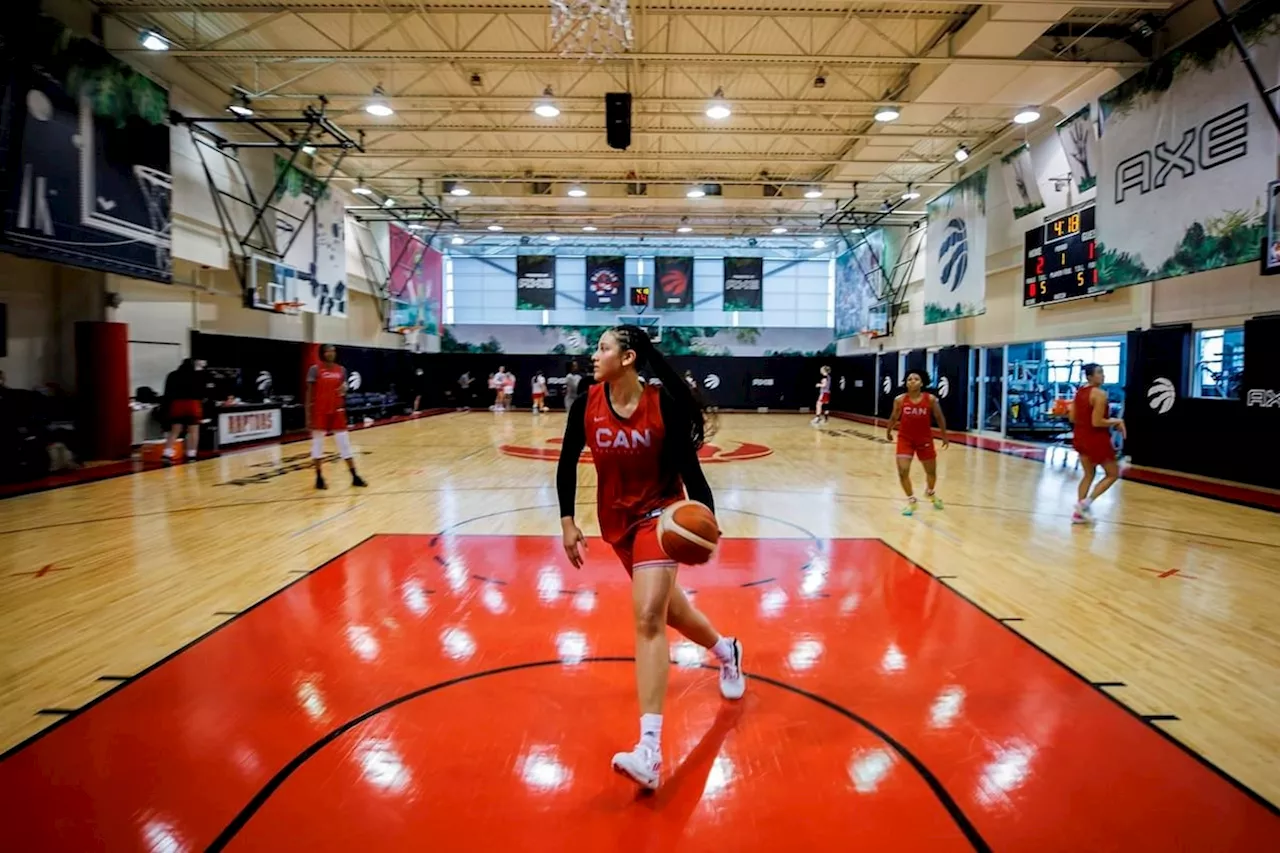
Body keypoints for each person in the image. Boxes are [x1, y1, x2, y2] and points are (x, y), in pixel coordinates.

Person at [556, 325, 744, 791]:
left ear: (628, 357)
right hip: (616, 525)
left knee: (646, 619)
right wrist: (567, 521)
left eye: (602, 348)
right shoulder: (586, 404)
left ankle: (650, 751)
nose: (593, 354)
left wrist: (708, 526)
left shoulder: (664, 406)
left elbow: (692, 474)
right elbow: (565, 462)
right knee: (672, 613)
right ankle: (727, 651)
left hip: (659, 520)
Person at [1068, 362, 1125, 524]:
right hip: (1096, 438)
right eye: (1099, 372)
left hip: (1080, 436)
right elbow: (1097, 422)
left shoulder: (1080, 392)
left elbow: (1072, 417)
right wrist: (1117, 420)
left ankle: (1078, 514)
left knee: (1088, 474)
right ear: (1090, 376)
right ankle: (1085, 503)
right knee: (1113, 474)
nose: (1103, 375)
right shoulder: (1099, 394)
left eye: (1103, 372)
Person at [305, 344, 368, 490]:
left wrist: (344, 390)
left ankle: (355, 476)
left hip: (337, 411)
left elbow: (343, 390)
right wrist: (308, 416)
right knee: (318, 445)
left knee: (344, 444)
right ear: (322, 353)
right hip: (319, 411)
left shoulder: (341, 370)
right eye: (327, 351)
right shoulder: (315, 370)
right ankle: (319, 477)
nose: (330, 353)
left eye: (333, 351)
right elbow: (309, 393)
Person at [885, 370, 948, 515]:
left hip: (924, 439)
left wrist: (944, 435)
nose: (912, 381)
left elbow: (939, 417)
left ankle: (930, 492)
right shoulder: (900, 400)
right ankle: (912, 500)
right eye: (909, 379)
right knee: (902, 471)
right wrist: (888, 431)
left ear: (922, 382)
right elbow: (894, 417)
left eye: (916, 379)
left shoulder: (930, 399)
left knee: (931, 472)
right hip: (905, 439)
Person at [161, 358, 206, 463]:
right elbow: (202, 391)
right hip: (192, 404)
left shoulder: (172, 375)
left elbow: (167, 392)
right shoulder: (197, 376)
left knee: (175, 430)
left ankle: (167, 453)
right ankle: (191, 455)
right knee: (193, 431)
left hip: (177, 404)